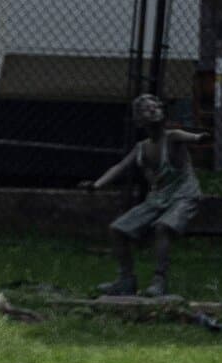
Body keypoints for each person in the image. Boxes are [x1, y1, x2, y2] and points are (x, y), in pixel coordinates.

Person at [81, 94, 210, 297]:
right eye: (147, 109)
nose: (154, 109)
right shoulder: (141, 148)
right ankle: (126, 280)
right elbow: (121, 167)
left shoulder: (173, 137)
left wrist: (201, 137)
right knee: (118, 229)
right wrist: (97, 185)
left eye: (156, 106)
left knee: (163, 227)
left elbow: (192, 137)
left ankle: (159, 281)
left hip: (184, 196)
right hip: (157, 198)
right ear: (138, 120)